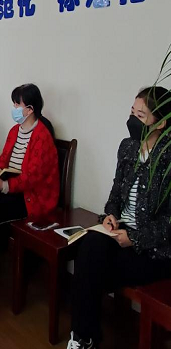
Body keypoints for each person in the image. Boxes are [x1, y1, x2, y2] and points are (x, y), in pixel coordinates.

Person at [67, 86, 171, 349]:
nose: (132, 120)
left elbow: (168, 223)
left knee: (90, 266)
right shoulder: (128, 147)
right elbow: (115, 194)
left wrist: (134, 238)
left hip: (153, 249)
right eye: (131, 112)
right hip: (120, 232)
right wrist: (110, 216)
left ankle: (83, 338)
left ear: (161, 122)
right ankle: (83, 337)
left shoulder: (168, 159)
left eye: (140, 115)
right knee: (88, 245)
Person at [0, 83, 59, 296]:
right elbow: (4, 159)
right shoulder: (15, 131)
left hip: (32, 196)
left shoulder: (42, 136)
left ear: (29, 109)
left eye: (17, 105)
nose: (13, 109)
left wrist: (4, 186)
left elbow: (32, 178)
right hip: (13, 188)